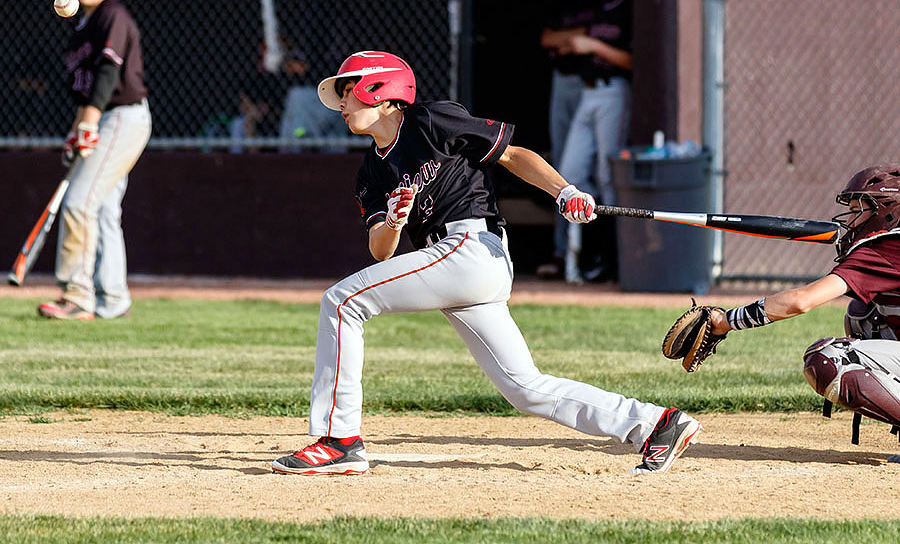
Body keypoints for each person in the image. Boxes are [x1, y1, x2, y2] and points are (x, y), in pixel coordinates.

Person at [270, 51, 701, 476]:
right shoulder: (370, 172)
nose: (341, 104)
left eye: (348, 91)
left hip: (472, 247)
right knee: (525, 389)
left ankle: (339, 440)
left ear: (380, 90)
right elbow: (380, 249)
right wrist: (397, 221)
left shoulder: (430, 120)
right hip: (453, 265)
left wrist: (563, 190)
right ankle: (656, 424)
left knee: (343, 302)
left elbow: (513, 155)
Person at [707, 165, 900, 443]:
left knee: (830, 358)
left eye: (861, 209)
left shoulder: (886, 247)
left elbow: (801, 301)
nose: (852, 220)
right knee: (862, 314)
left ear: (888, 210)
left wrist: (725, 321)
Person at [37, 0, 151, 320]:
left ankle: (77, 294)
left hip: (122, 116)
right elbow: (85, 91)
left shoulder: (111, 15)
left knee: (78, 203)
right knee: (101, 210)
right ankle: (114, 299)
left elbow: (108, 73)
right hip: (102, 117)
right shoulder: (80, 27)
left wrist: (88, 122)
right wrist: (78, 128)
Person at [556, 0, 633, 284]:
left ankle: (612, 260)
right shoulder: (600, 2)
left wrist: (592, 45)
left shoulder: (631, 4)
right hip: (588, 95)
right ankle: (579, 260)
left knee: (607, 176)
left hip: (613, 92)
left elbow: (631, 61)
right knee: (570, 175)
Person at [536, 0, 607, 280]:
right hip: (565, 82)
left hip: (597, 84)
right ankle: (563, 252)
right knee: (564, 169)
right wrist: (575, 40)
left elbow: (603, 33)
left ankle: (601, 258)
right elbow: (547, 39)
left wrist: (580, 39)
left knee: (601, 172)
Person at [277, 0, 347, 143]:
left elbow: (312, 55)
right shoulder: (335, 3)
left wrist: (291, 64)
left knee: (299, 142)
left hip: (315, 94)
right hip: (339, 94)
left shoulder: (319, 5)